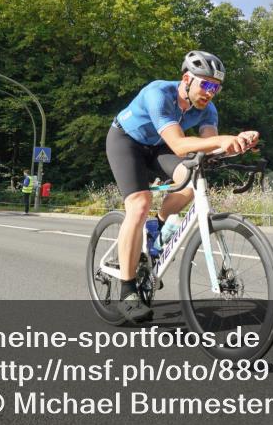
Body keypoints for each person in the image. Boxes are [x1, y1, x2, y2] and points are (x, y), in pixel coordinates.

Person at [106, 50, 259, 324]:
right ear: (187, 79)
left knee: (188, 184)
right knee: (139, 204)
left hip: (157, 147)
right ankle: (127, 291)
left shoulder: (207, 109)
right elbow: (179, 145)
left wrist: (239, 142)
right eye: (207, 84)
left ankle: (157, 229)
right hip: (126, 141)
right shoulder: (158, 94)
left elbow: (211, 148)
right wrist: (224, 139)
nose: (211, 92)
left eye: (217, 87)